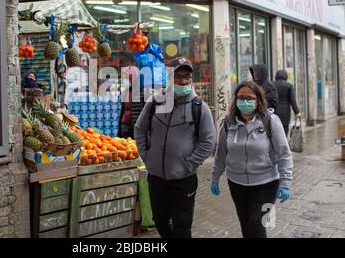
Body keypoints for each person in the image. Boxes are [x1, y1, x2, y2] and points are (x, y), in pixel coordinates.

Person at [134, 57, 216, 238]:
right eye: (179, 76)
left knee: (182, 226)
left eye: (187, 77)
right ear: (169, 78)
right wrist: (147, 157)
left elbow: (208, 141)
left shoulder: (199, 107)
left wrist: (189, 164)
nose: (183, 81)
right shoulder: (155, 102)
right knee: (161, 221)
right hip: (156, 177)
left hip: (184, 179)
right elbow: (140, 129)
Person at [210, 81, 293, 238]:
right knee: (246, 225)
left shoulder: (270, 121)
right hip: (237, 184)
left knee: (257, 225)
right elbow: (221, 153)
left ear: (258, 100)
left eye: (249, 98)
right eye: (241, 98)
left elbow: (284, 154)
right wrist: (215, 177)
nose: (245, 101)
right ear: (235, 100)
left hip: (267, 184)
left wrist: (286, 182)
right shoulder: (228, 123)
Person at [273, 70, 301, 136]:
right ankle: (283, 144)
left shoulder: (272, 84)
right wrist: (297, 112)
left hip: (274, 112)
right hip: (285, 113)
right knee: (284, 131)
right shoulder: (289, 85)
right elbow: (293, 100)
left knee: (274, 130)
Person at [118, 65, 139, 139]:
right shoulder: (126, 91)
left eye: (126, 77)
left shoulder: (142, 92)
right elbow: (123, 110)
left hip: (136, 128)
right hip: (125, 126)